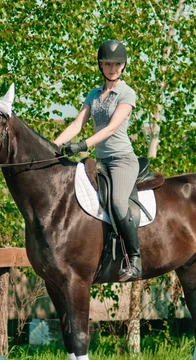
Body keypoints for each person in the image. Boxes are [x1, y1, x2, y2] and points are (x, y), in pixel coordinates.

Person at [54, 40, 141, 282]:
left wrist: (82, 145)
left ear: (123, 66)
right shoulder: (93, 94)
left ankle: (134, 259)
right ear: (100, 66)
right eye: (107, 63)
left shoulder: (126, 92)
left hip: (122, 160)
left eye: (116, 63)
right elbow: (77, 124)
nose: (112, 67)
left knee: (117, 203)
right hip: (100, 161)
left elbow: (112, 128)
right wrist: (55, 146)